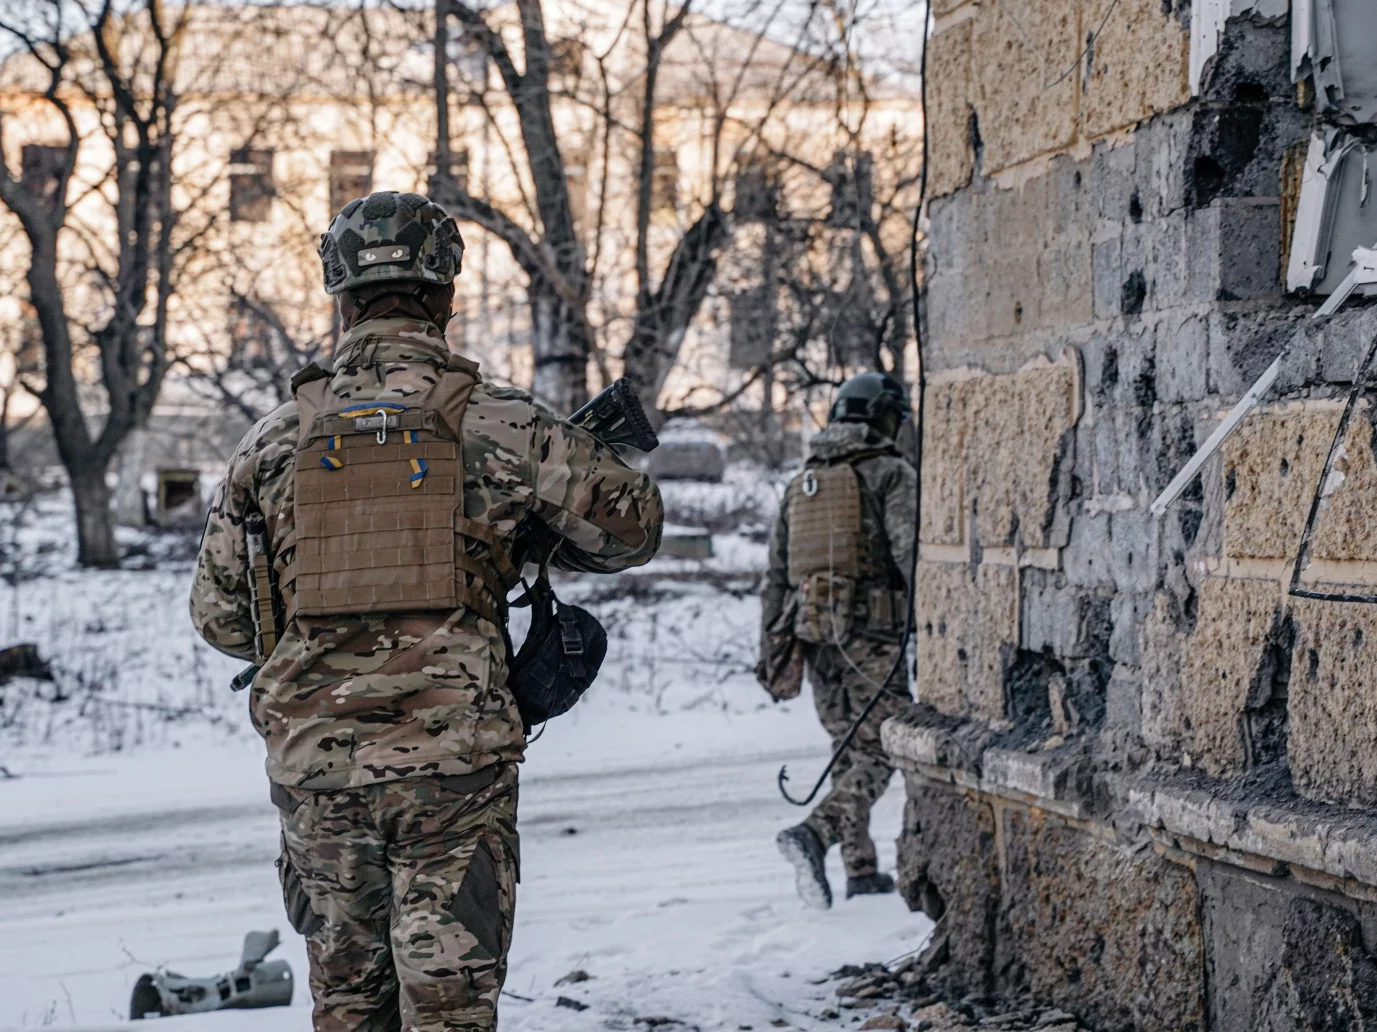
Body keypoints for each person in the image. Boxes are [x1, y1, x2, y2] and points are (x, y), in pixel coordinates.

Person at [190, 191, 663, 1032]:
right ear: (447, 294)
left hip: (316, 771)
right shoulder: (499, 421)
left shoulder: (271, 441)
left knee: (346, 1008)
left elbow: (224, 621)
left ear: (338, 297)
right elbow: (632, 530)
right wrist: (517, 532)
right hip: (453, 767)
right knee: (449, 1010)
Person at [758, 371, 916, 910]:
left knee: (848, 749)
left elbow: (775, 578)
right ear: (882, 416)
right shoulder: (891, 473)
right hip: (873, 635)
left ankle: (861, 869)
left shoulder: (801, 483)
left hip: (814, 638)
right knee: (883, 749)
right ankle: (816, 833)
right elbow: (910, 555)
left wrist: (771, 650)